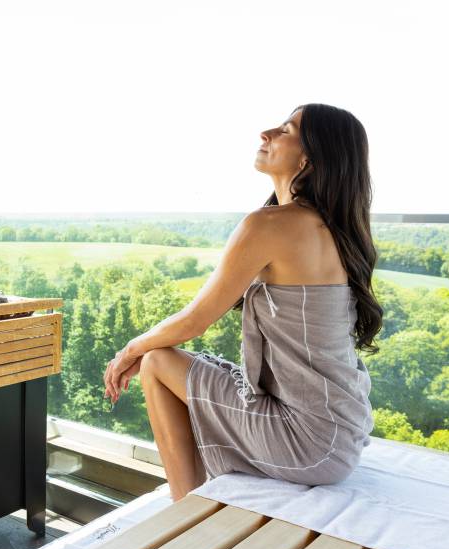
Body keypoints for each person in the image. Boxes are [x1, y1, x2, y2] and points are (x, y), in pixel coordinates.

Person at [103, 103, 383, 502]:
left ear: (310, 157)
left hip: (308, 443)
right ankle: (193, 499)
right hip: (342, 434)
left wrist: (129, 350)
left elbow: (195, 320)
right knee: (179, 362)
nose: (265, 134)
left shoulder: (270, 224)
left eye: (284, 130)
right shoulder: (337, 229)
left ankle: (184, 508)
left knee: (156, 361)